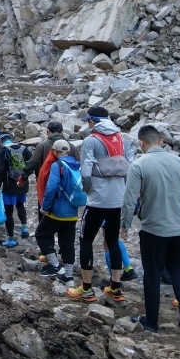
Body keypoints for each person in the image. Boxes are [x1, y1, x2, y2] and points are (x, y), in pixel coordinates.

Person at [122, 125, 180, 333]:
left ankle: (152, 321)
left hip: (153, 230)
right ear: (161, 142)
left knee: (152, 273)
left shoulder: (139, 165)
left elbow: (130, 199)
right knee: (177, 269)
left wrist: (125, 224)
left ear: (141, 143)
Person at [68, 106, 133, 304]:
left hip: (97, 199)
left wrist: (87, 190)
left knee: (86, 239)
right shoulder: (124, 139)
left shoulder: (91, 140)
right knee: (112, 241)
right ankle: (115, 286)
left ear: (92, 121)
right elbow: (131, 167)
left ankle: (86, 288)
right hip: (118, 199)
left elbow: (86, 169)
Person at [37, 139, 81, 281]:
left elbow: (51, 188)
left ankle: (55, 265)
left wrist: (45, 207)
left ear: (55, 151)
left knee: (41, 234)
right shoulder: (77, 165)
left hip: (58, 211)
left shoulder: (57, 165)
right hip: (73, 211)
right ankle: (68, 276)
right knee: (67, 243)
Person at [0, 134, 32, 247]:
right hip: (22, 183)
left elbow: (0, 170)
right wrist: (24, 178)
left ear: (1, 141)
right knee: (20, 205)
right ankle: (24, 228)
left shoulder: (3, 150)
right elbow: (31, 164)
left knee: (8, 211)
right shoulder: (23, 148)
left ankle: (11, 239)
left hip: (9, 185)